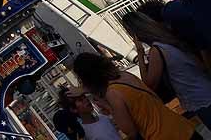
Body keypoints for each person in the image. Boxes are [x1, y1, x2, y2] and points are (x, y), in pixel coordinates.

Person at [72, 52, 200, 140]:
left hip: (162, 136)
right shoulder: (124, 76)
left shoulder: (112, 93)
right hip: (182, 127)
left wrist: (109, 108)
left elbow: (130, 132)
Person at [122, 7, 211, 129]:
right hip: (204, 88)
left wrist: (140, 54)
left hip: (198, 99)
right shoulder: (169, 39)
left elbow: (149, 84)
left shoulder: (157, 50)